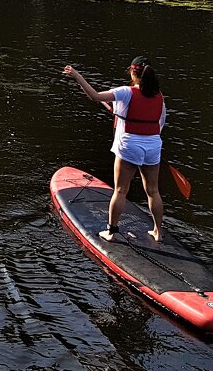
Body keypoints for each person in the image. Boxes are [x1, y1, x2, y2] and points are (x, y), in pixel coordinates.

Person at [62, 56, 166, 242]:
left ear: (133, 73)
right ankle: (158, 231)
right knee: (153, 191)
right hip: (153, 146)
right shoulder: (159, 97)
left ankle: (111, 233)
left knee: (120, 190)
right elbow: (160, 125)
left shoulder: (125, 92)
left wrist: (77, 76)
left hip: (129, 146)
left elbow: (94, 96)